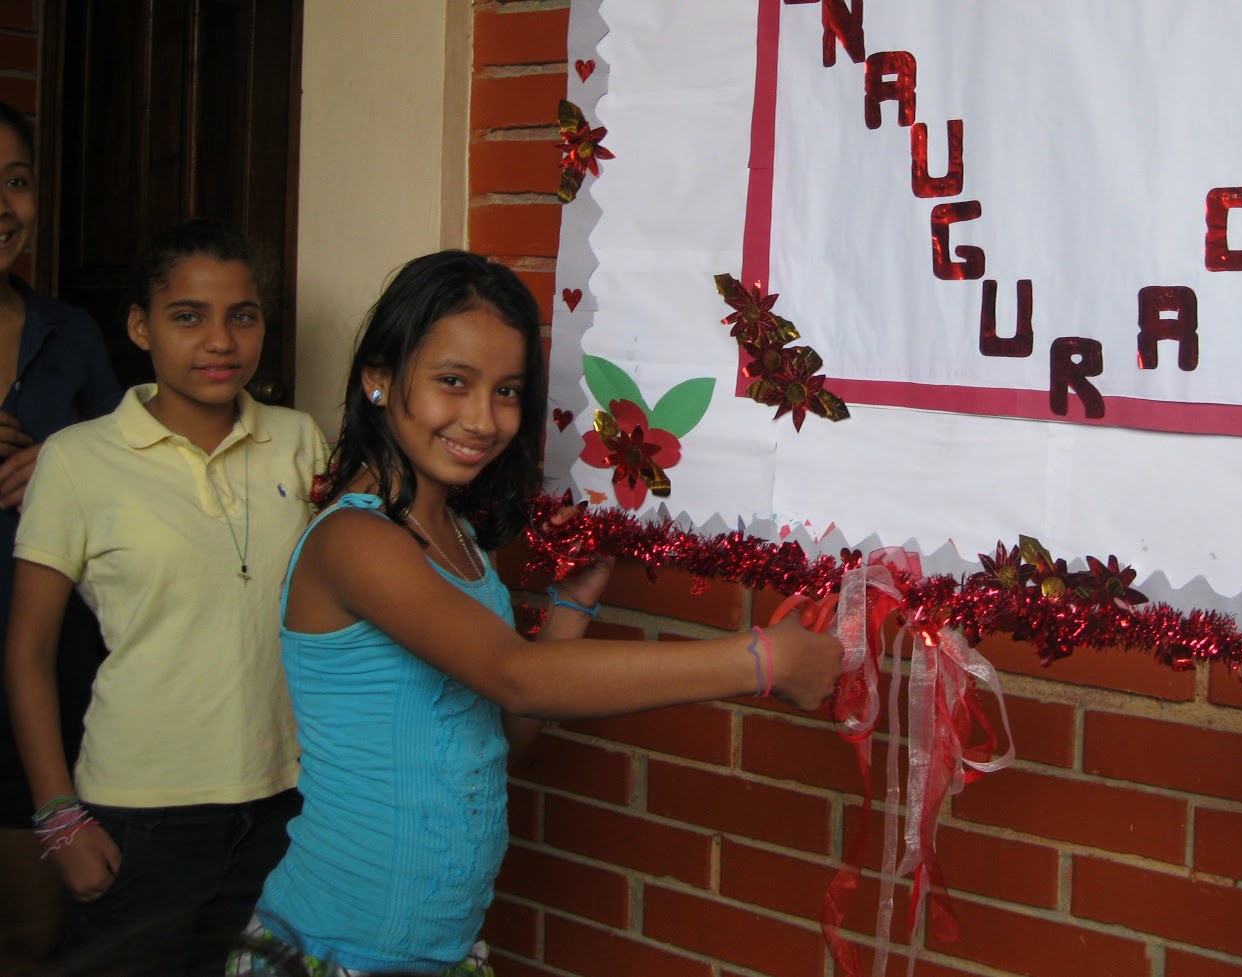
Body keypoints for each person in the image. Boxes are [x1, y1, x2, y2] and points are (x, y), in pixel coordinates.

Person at [240, 250, 843, 975]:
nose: (483, 418)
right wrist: (762, 659)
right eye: (453, 382)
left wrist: (568, 608)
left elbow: (494, 735)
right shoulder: (356, 540)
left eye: (508, 391)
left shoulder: (458, 540)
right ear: (378, 377)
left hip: (433, 953)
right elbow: (517, 676)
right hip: (336, 950)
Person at [4, 218, 326, 968]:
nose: (220, 340)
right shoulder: (79, 461)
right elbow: (27, 651)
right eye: (189, 316)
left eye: (241, 316)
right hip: (138, 820)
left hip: (287, 805)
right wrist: (60, 822)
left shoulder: (299, 439)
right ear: (140, 327)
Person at [0, 100, 122, 967]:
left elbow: (130, 494)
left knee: (33, 936)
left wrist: (66, 468)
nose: (5, 206)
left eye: (16, 181)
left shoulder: (70, 335)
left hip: (35, 687)